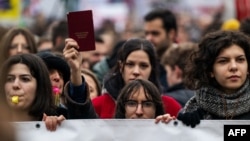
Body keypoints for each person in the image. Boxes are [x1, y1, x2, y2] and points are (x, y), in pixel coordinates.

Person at [91, 38, 181, 119]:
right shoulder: (98, 106)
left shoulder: (170, 107)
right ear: (121, 66)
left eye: (143, 66)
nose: (136, 71)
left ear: (152, 69)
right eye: (130, 64)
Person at [177, 30, 250, 128]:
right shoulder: (191, 113)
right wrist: (165, 127)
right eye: (223, 61)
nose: (234, 67)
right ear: (210, 70)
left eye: (240, 60)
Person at [0, 54, 64, 131]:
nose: (15, 85)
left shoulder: (53, 123)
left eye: (25, 79)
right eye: (9, 79)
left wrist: (56, 129)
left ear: (40, 86)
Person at [37, 49, 98, 119]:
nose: (57, 77)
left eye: (61, 75)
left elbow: (82, 111)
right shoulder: (24, 111)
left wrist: (76, 71)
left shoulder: (67, 114)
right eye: (49, 72)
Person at [143, 8, 178, 92]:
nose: (149, 38)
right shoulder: (145, 60)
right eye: (146, 33)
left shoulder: (183, 61)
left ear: (171, 33)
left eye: (155, 33)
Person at [161, 42, 197, 107]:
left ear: (177, 72)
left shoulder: (167, 102)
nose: (167, 77)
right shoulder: (210, 98)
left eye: (167, 72)